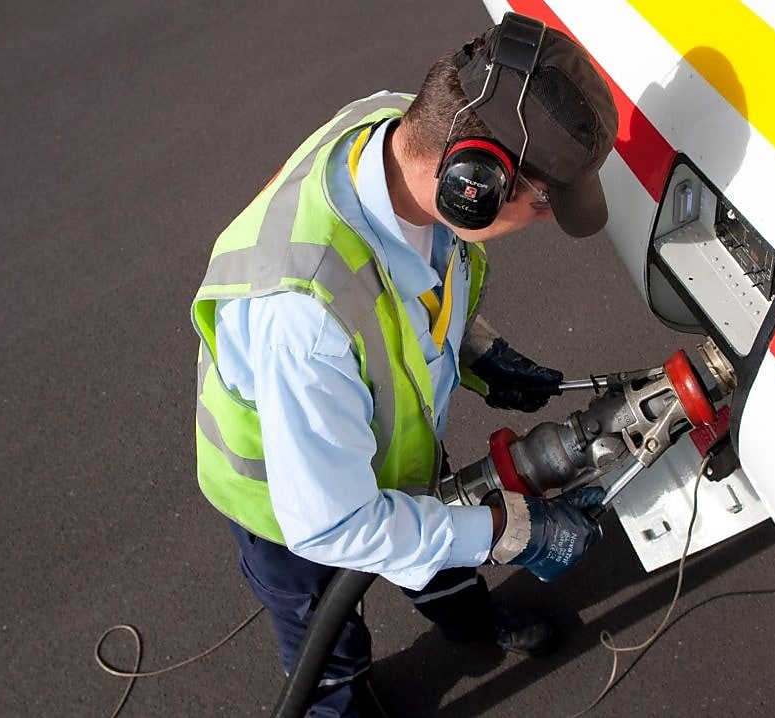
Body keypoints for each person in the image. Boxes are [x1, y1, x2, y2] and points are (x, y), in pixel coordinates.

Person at [189, 13, 618, 717]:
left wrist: (480, 352)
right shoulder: (303, 322)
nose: (545, 219)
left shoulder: (398, 132)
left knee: (437, 546)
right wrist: (511, 531)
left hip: (384, 438)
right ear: (472, 182)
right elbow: (336, 525)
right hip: (294, 507)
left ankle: (472, 621)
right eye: (542, 201)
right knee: (331, 647)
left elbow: (412, 280)